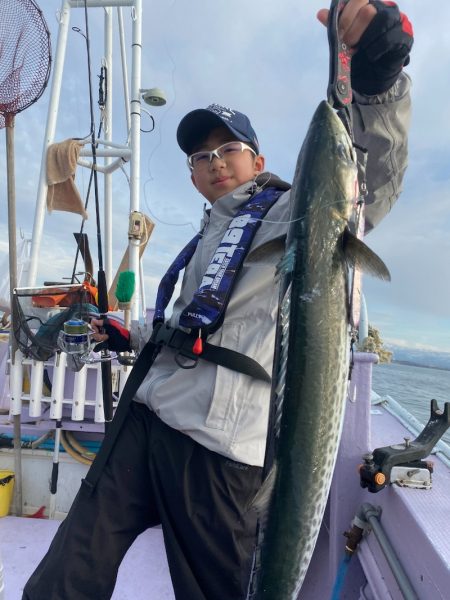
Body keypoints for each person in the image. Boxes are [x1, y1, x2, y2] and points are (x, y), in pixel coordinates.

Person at [23, 1, 413, 599]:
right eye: (199, 158)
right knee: (65, 576)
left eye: (226, 150)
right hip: (147, 416)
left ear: (257, 160)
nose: (212, 163)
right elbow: (194, 323)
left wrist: (379, 76)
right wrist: (129, 336)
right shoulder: (208, 233)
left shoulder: (291, 210)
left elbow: (367, 179)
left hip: (220, 447)